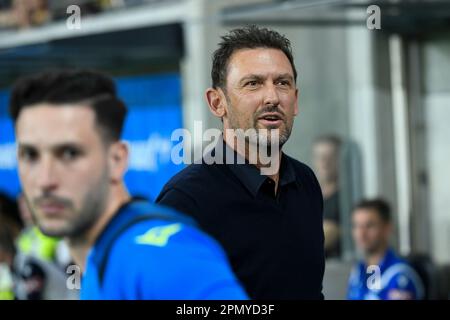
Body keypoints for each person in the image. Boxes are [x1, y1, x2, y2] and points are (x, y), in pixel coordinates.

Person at [9, 69, 248, 300]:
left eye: (70, 153)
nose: (45, 180)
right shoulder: (103, 257)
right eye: (30, 155)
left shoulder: (161, 257)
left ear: (117, 160)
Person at [157, 25, 325, 299]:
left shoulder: (305, 183)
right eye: (253, 83)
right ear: (217, 103)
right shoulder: (186, 201)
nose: (272, 97)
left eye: (282, 83)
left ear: (295, 101)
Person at [347, 199, 424, 300]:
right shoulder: (358, 272)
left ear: (387, 228)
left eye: (369, 226)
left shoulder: (400, 275)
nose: (361, 234)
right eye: (356, 226)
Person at [312, 135, 342, 258]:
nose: (325, 162)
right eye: (320, 157)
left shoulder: (345, 198)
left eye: (331, 157)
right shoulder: (307, 195)